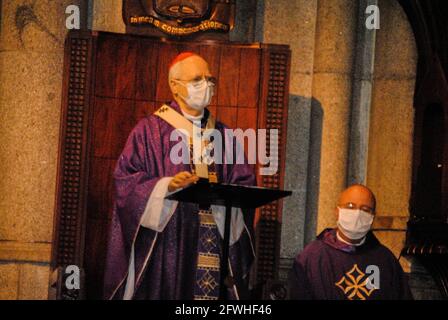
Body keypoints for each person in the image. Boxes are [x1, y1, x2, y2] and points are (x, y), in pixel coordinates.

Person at [103, 52, 256, 300]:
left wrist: (226, 196)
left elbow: (245, 183)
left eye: (210, 79)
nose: (206, 86)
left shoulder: (224, 134)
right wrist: (165, 187)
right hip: (170, 246)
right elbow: (125, 180)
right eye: (197, 79)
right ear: (175, 86)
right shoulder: (149, 130)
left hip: (214, 244)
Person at [289, 184, 413, 300]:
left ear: (372, 217)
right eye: (350, 206)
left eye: (365, 209)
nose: (357, 214)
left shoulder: (385, 260)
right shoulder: (312, 257)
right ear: (337, 212)